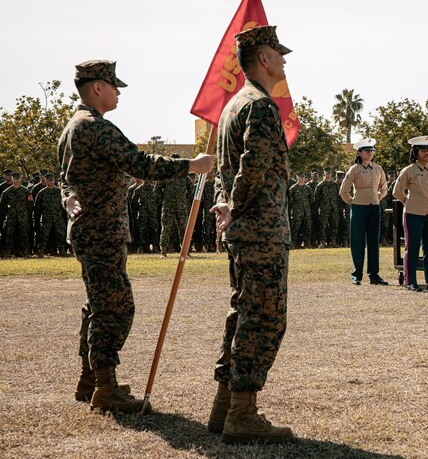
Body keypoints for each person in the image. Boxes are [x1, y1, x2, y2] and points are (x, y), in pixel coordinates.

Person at [58, 60, 214, 413]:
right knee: (116, 307)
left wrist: (67, 195)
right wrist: (191, 165)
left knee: (98, 305)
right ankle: (105, 387)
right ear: (97, 87)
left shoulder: (71, 128)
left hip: (92, 230)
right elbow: (141, 164)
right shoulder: (94, 128)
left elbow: (66, 178)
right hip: (101, 231)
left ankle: (92, 380)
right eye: (114, 86)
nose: (118, 93)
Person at [208, 26, 295, 444]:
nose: (283, 61)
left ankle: (224, 408)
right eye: (279, 55)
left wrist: (228, 205)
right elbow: (253, 169)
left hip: (244, 229)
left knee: (242, 313)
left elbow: (229, 172)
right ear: (263, 58)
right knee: (263, 318)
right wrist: (235, 205)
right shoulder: (260, 106)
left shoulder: (231, 107)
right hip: (260, 229)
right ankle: (242, 413)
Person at [392, 135, 428, 292]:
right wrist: (407, 202)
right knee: (412, 249)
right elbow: (397, 191)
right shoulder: (409, 171)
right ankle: (411, 282)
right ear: (415, 152)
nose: (426, 153)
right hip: (413, 214)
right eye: (423, 150)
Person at [340, 138, 388, 285]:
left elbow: (384, 189)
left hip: (374, 208)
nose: (370, 153)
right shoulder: (355, 169)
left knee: (374, 242)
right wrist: (353, 202)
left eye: (372, 151)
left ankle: (374, 275)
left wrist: (377, 198)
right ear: (359, 153)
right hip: (359, 208)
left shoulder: (378, 168)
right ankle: (357, 274)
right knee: (357, 242)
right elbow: (343, 191)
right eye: (367, 151)